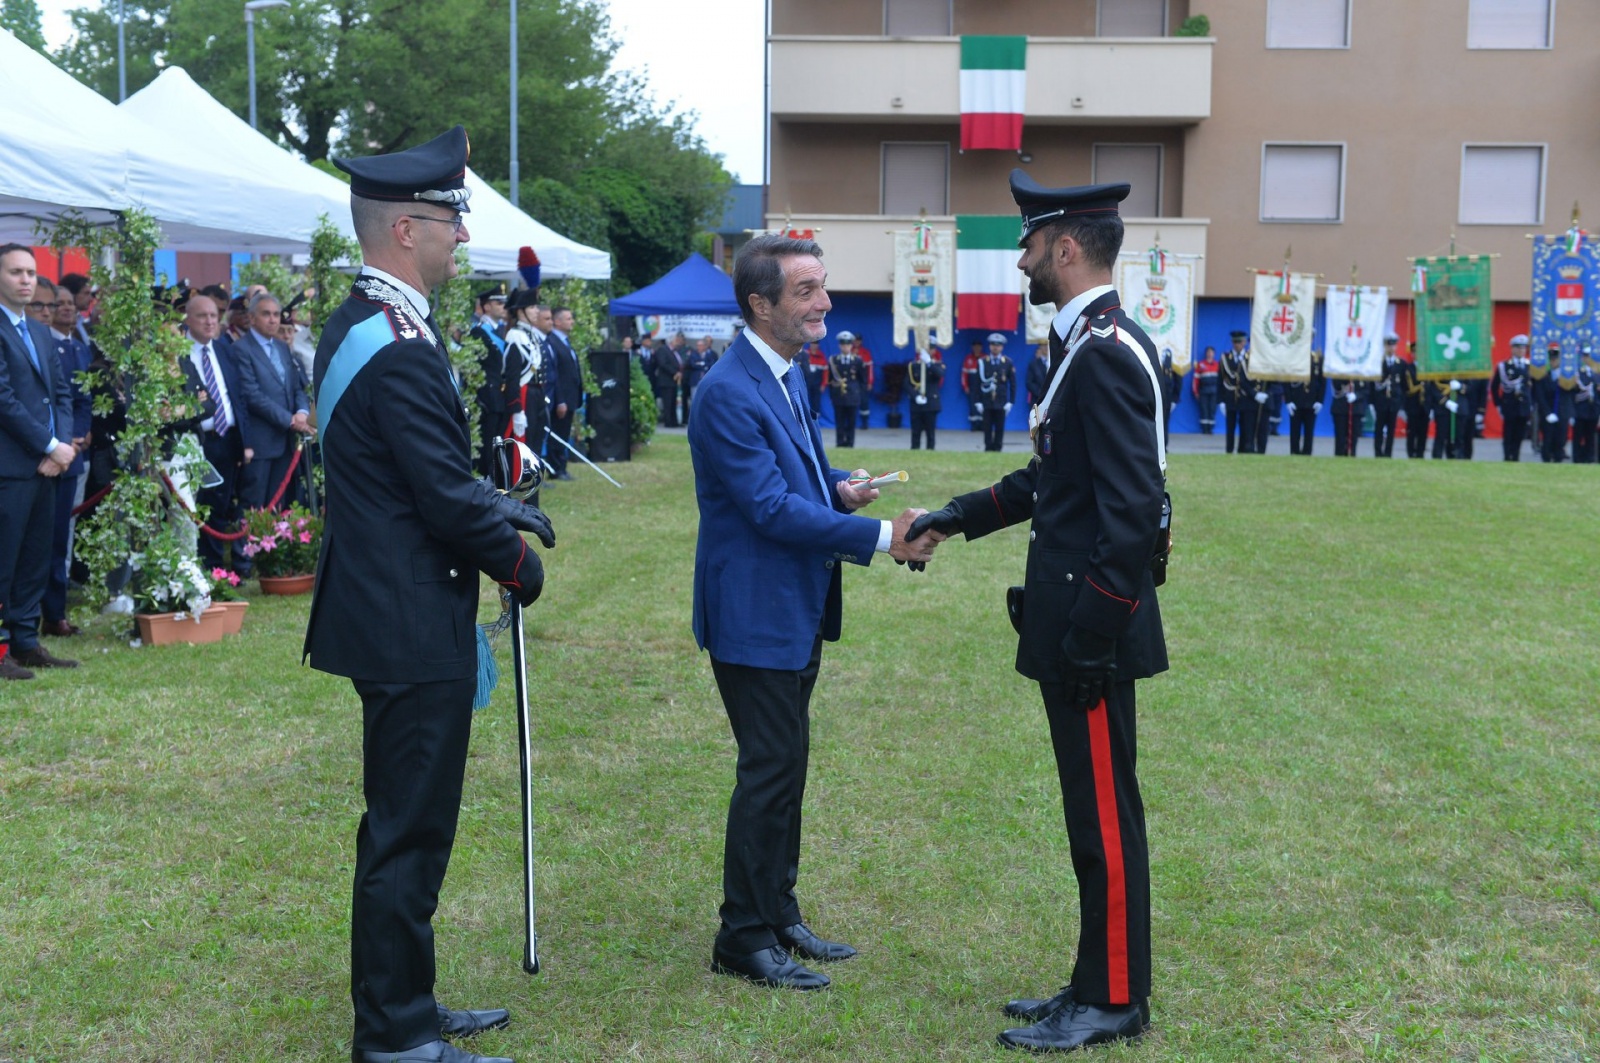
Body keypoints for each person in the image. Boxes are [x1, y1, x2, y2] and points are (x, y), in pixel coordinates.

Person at [306, 125, 554, 1063]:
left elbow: (414, 473)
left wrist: (498, 502)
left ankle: (407, 1000)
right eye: (453, 220)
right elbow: (442, 497)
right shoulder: (399, 342)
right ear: (408, 229)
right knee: (407, 835)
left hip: (389, 605)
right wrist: (516, 561)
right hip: (407, 618)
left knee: (404, 827)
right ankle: (397, 1036)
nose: (463, 237)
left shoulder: (367, 322)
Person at [908, 173, 1165, 1054]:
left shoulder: (1105, 352)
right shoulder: (1083, 344)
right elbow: (1051, 483)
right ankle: (1095, 980)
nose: (1020, 261)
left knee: (1105, 821)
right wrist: (955, 515)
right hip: (1077, 624)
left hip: (1092, 630)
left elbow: (1133, 514)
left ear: (1065, 247)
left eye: (1028, 245)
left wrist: (1092, 634)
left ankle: (1115, 997)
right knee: (1089, 817)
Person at [689, 232, 935, 993]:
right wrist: (883, 536)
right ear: (760, 305)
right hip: (754, 613)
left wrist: (838, 489)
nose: (825, 302)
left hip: (792, 606)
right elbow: (766, 506)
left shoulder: (786, 372)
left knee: (786, 765)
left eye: (822, 286)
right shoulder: (728, 391)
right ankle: (742, 935)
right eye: (806, 291)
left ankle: (778, 911)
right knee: (769, 770)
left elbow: (794, 475)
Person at [0, 244, 80, 680]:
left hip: (48, 466)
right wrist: (50, 445)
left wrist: (61, 446)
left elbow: (61, 393)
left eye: (31, 272)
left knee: (35, 558)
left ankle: (26, 642)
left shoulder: (39, 330)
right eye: (16, 272)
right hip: (11, 467)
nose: (26, 280)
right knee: (4, 561)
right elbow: (4, 401)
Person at [179, 294, 254, 576]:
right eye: (202, 316)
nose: (210, 321)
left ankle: (215, 569)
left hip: (227, 439)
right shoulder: (178, 354)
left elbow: (238, 395)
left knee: (221, 506)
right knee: (196, 507)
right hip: (196, 441)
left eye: (214, 315)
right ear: (187, 319)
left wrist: (245, 442)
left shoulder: (224, 349)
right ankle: (197, 568)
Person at [41, 283, 95, 637]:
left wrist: (73, 439)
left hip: (67, 455)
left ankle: (54, 612)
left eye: (63, 304)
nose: (55, 310)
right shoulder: (33, 343)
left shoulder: (76, 348)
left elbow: (79, 399)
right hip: (33, 455)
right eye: (46, 305)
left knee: (60, 539)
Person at [234, 291, 314, 511]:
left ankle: (275, 536)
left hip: (286, 442)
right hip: (260, 442)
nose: (273, 320)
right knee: (254, 504)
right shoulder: (241, 349)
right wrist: (290, 420)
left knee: (279, 505)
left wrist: (302, 412)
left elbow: (297, 386)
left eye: (276, 314)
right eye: (266, 314)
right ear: (252, 318)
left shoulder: (281, 347)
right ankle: (248, 537)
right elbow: (251, 394)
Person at [470, 287, 523, 476]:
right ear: (486, 306)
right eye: (499, 303)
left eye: (504, 303)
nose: (503, 307)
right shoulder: (478, 332)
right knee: (487, 446)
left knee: (496, 444)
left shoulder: (500, 331)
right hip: (488, 398)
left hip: (499, 397)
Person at [501, 289, 547, 463]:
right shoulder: (515, 336)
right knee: (523, 445)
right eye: (532, 307)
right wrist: (516, 409)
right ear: (521, 311)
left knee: (535, 441)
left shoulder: (531, 334)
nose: (537, 311)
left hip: (536, 394)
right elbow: (512, 377)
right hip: (524, 395)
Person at [974, 331, 1017, 452]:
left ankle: (998, 447)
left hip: (1001, 400)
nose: (995, 347)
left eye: (998, 345)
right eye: (993, 345)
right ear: (989, 346)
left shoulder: (1007, 362)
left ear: (1002, 347)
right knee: (987, 426)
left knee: (999, 426)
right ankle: (988, 447)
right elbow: (976, 383)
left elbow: (1013, 384)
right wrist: (977, 401)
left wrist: (1011, 402)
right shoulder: (983, 362)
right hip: (986, 400)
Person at [1491, 335, 1532, 461]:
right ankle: (1507, 456)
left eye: (1523, 348)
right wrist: (1498, 404)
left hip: (1524, 406)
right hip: (1509, 405)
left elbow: (1534, 388)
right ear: (1512, 349)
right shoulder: (1503, 366)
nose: (1521, 350)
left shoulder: (1530, 366)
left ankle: (1516, 456)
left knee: (1520, 434)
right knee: (1508, 433)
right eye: (1518, 347)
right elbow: (1494, 387)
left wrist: (1532, 403)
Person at [827, 330, 867, 448]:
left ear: (851, 345)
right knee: (839, 421)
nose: (845, 347)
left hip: (853, 395)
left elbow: (862, 380)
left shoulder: (857, 360)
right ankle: (840, 442)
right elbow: (830, 380)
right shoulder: (834, 360)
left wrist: (859, 395)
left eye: (848, 344)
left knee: (851, 421)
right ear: (840, 346)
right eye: (843, 345)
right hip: (838, 395)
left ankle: (850, 443)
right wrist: (832, 395)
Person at [1284, 348, 1325, 456]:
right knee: (1294, 431)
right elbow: (1286, 381)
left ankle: (1307, 453)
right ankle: (1294, 452)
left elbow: (1322, 382)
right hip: (1296, 401)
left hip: (1311, 401)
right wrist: (1288, 400)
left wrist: (1320, 401)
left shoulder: (1317, 359)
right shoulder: (1292, 358)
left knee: (1309, 431)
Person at [1370, 335, 1406, 457]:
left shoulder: (1401, 364)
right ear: (1385, 346)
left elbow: (1403, 385)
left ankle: (1388, 453)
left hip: (1394, 402)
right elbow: (1372, 385)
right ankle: (1378, 452)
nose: (1391, 348)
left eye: (1393, 345)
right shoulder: (1378, 363)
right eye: (1389, 345)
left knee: (1391, 430)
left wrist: (1401, 403)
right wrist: (1372, 402)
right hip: (1380, 402)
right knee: (1379, 428)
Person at [907, 345, 944, 450]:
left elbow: (940, 374)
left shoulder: (937, 364)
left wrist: (929, 363)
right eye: (926, 348)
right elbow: (907, 383)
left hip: (931, 403)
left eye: (931, 349)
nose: (929, 350)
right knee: (915, 432)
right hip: (917, 403)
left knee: (930, 433)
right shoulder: (913, 365)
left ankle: (930, 452)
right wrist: (915, 396)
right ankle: (914, 451)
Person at [1328, 375, 1370, 457]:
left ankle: (1351, 456)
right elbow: (1336, 386)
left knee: (1353, 439)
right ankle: (1339, 457)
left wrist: (1356, 395)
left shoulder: (1362, 372)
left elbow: (1366, 390)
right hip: (1340, 408)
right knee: (1340, 438)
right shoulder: (1339, 371)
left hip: (1356, 409)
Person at [1219, 330, 1247, 453]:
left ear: (1244, 342)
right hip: (1230, 397)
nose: (1237, 345)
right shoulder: (1225, 357)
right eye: (1235, 342)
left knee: (1245, 426)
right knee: (1230, 426)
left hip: (1245, 396)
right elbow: (1220, 379)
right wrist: (1220, 400)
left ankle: (1242, 450)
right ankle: (1229, 450)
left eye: (1239, 342)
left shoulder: (1249, 358)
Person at [1402, 343, 1428, 458]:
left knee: (1423, 432)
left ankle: (1420, 453)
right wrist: (1420, 386)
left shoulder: (1427, 369)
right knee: (1412, 432)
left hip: (1425, 406)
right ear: (1412, 354)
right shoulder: (1409, 368)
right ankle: (1411, 453)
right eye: (1415, 352)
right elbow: (1408, 388)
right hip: (1413, 405)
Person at [653, 331, 683, 427]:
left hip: (674, 381)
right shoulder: (663, 350)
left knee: (673, 402)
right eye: (675, 340)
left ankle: (674, 421)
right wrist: (675, 372)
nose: (677, 342)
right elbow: (663, 364)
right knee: (668, 402)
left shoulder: (675, 351)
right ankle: (668, 421)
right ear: (670, 341)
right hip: (666, 381)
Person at [1191, 345, 1219, 434]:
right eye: (1208, 352)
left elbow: (1221, 381)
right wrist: (1195, 392)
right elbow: (1195, 380)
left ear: (1214, 354)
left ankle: (1210, 429)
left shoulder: (1217, 365)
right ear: (1206, 354)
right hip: (1203, 391)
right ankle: (1204, 429)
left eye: (1211, 352)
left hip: (1214, 392)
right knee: (1204, 409)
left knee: (1212, 409)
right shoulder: (1200, 365)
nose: (1210, 354)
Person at [802, 340, 828, 418]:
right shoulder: (805, 354)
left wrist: (824, 384)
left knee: (816, 401)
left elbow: (826, 372)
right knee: (804, 399)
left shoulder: (821, 356)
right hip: (806, 383)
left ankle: (815, 419)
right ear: (810, 344)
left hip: (817, 384)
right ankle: (805, 417)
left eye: (816, 344)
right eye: (812, 343)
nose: (814, 345)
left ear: (818, 345)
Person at [1025, 342, 1050, 409]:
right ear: (1040, 347)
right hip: (1037, 400)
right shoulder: (1034, 364)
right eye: (1044, 345)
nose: (1046, 348)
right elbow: (1029, 383)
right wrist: (1041, 393)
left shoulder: (1054, 362)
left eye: (1047, 345)